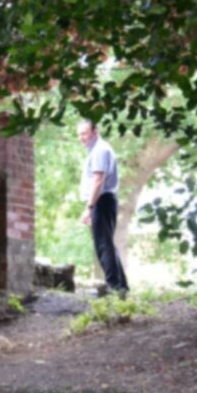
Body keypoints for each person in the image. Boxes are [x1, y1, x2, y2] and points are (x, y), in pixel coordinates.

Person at [77, 120, 129, 294]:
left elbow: (98, 180)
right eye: (79, 134)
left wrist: (89, 207)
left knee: (103, 245)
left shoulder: (100, 150)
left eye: (85, 133)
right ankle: (121, 287)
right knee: (106, 244)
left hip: (102, 200)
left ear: (95, 132)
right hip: (104, 200)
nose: (81, 138)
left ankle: (113, 288)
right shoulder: (97, 150)